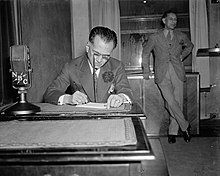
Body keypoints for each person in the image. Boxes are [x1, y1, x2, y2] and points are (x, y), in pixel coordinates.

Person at [43, 26, 133, 109]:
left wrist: (120, 97)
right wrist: (68, 98)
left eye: (106, 56)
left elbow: (127, 91)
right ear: (87, 48)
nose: (99, 60)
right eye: (96, 54)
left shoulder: (117, 66)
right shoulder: (71, 67)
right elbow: (50, 93)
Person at [142, 10, 194, 143]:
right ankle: (185, 126)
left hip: (177, 71)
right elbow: (146, 53)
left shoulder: (181, 35)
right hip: (161, 72)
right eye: (171, 19)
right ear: (164, 20)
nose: (174, 21)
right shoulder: (155, 37)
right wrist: (146, 70)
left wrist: (181, 56)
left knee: (176, 103)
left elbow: (190, 46)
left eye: (175, 19)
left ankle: (172, 132)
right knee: (170, 101)